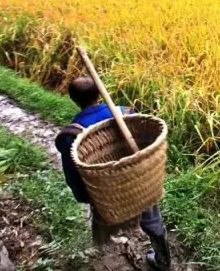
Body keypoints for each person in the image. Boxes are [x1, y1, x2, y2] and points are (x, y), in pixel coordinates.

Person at [55, 77, 172, 271]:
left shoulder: (71, 135)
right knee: (152, 220)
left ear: (74, 100)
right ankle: (163, 260)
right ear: (99, 94)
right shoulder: (124, 113)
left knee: (109, 218)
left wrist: (84, 196)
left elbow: (73, 175)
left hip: (106, 194)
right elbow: (144, 142)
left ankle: (113, 242)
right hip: (138, 181)